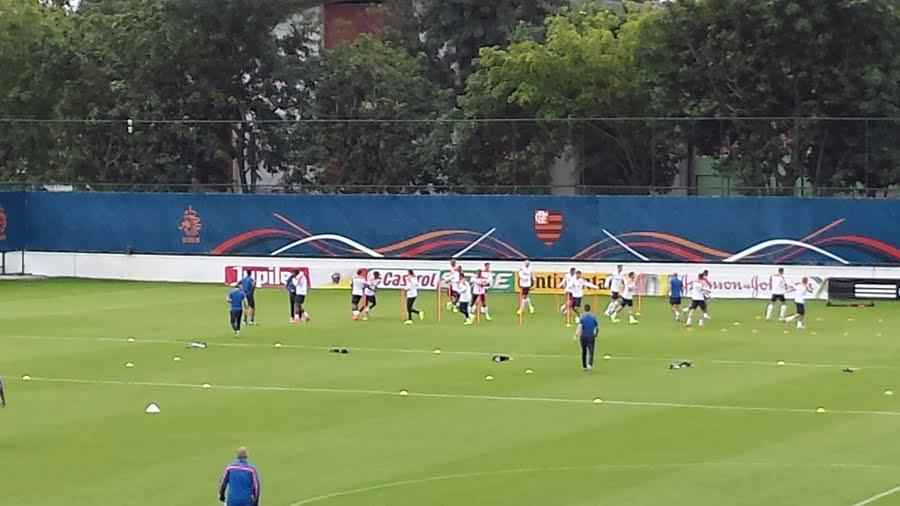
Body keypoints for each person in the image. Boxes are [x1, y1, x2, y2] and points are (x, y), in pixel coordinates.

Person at [575, 304, 600, 371]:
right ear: (590, 309)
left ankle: (584, 366)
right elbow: (597, 327)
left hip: (583, 337)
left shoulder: (582, 317)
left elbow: (580, 327)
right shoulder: (593, 317)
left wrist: (576, 335)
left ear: (584, 309)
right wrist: (596, 334)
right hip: (591, 336)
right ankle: (590, 364)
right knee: (591, 351)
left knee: (584, 351)